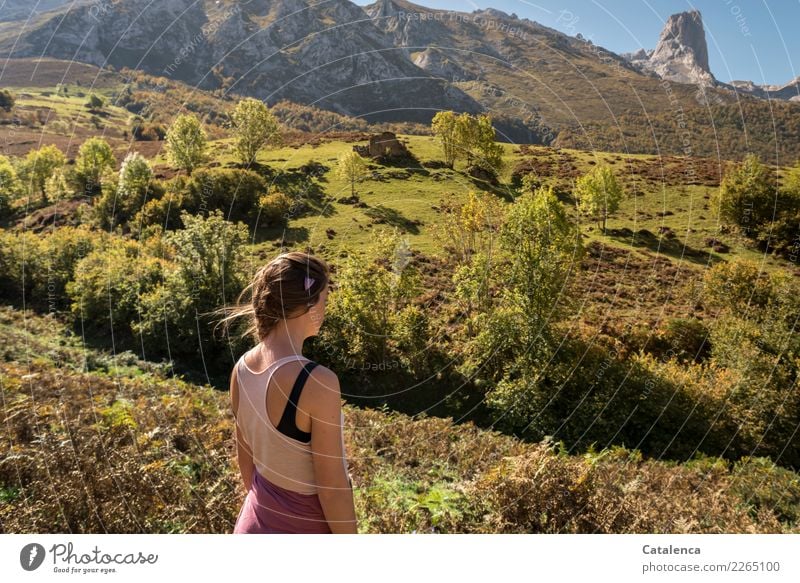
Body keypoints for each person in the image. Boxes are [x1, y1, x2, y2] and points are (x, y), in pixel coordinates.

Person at [218, 251, 357, 534]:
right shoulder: (317, 382)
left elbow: (246, 462)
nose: (326, 309)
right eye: (324, 300)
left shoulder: (241, 368)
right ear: (309, 305)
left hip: (253, 524)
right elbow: (333, 489)